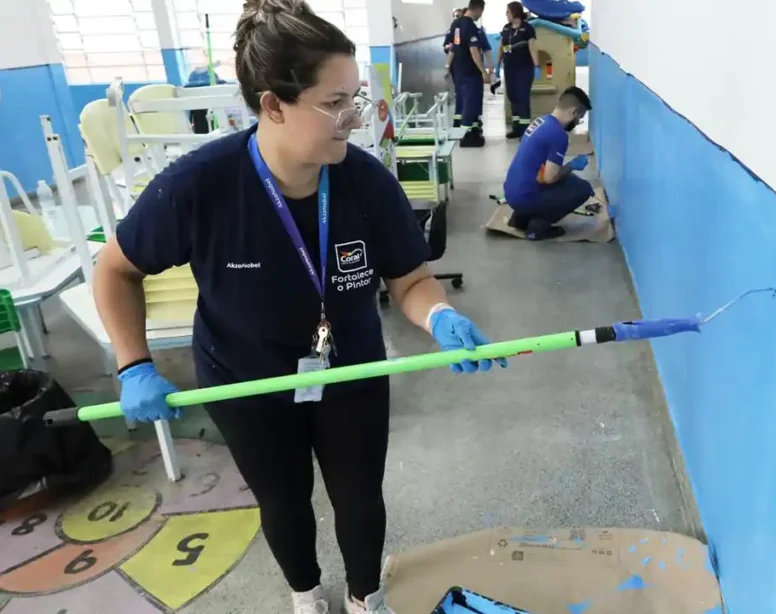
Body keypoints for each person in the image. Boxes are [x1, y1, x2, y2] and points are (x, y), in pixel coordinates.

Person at [91, 1, 505, 613]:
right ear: (272, 105)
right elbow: (115, 269)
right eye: (334, 103)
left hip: (349, 368)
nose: (353, 119)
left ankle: (366, 598)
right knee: (283, 501)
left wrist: (438, 315)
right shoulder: (200, 186)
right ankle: (306, 594)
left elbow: (410, 277)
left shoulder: (365, 182)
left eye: (355, 99)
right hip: (243, 378)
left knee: (360, 496)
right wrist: (133, 364)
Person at [502, 86, 593, 240]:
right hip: (525, 197)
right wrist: (571, 166)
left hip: (512, 192)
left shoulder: (541, 121)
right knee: (583, 189)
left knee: (570, 181)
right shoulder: (558, 134)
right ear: (573, 112)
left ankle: (520, 218)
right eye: (580, 117)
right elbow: (551, 177)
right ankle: (538, 227)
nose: (578, 122)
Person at [446, 0, 489, 147]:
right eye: (481, 12)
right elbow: (474, 50)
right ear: (478, 9)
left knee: (467, 102)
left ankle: (472, 131)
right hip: (471, 72)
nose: (480, 15)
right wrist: (483, 71)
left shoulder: (456, 24)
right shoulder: (470, 26)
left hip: (459, 70)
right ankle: (466, 137)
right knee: (471, 103)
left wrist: (447, 65)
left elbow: (452, 47)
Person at [498, 2, 539, 139]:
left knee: (522, 98)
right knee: (512, 97)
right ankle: (516, 128)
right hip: (509, 69)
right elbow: (501, 47)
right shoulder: (506, 28)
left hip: (524, 69)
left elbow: (533, 48)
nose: (506, 15)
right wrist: (497, 65)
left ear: (515, 13)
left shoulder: (527, 29)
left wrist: (537, 65)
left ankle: (525, 131)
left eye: (508, 12)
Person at [443, 8, 466, 127]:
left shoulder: (467, 30)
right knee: (459, 91)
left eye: (459, 16)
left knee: (465, 92)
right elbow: (448, 48)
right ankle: (458, 119)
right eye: (455, 16)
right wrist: (447, 67)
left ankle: (464, 117)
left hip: (465, 65)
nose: (457, 18)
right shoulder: (452, 32)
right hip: (455, 65)